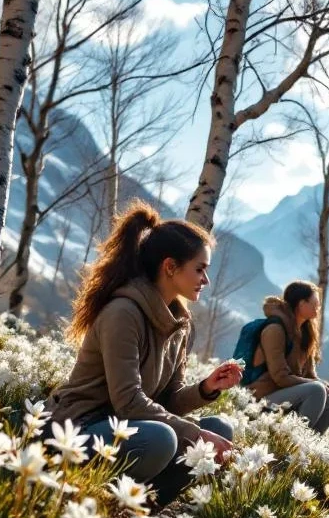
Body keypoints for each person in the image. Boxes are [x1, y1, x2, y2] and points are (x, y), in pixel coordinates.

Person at [46, 200, 242, 490]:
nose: (206, 280)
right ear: (170, 267)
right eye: (200, 269)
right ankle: (107, 501)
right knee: (165, 438)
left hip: (129, 428)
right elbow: (128, 403)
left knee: (218, 428)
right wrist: (194, 434)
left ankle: (142, 507)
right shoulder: (122, 313)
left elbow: (167, 400)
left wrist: (206, 388)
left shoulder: (179, 324)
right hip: (78, 428)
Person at [242, 280, 329, 433]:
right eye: (315, 303)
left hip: (292, 398)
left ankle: (311, 441)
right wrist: (317, 384)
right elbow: (280, 377)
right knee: (316, 390)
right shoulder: (275, 330)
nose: (319, 307)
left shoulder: (305, 334)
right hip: (261, 400)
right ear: (302, 304)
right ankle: (296, 439)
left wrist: (322, 383)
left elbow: (309, 375)